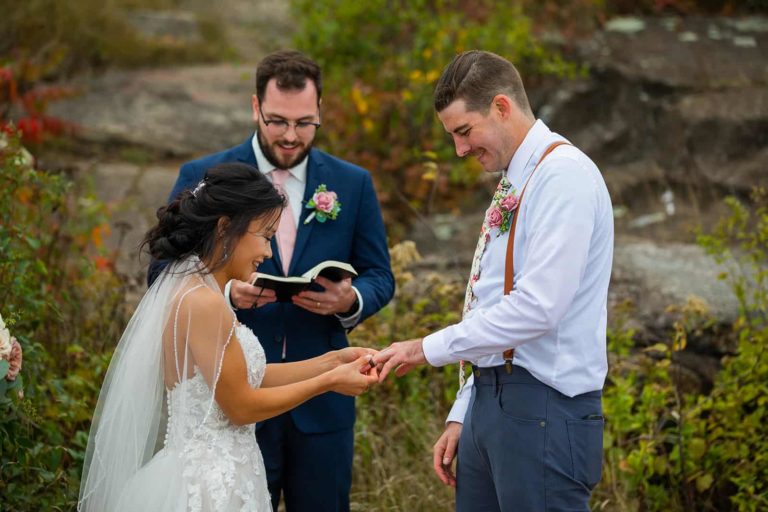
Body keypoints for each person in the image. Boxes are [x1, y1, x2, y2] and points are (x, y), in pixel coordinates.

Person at [149, 51, 394, 512]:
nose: (289, 134)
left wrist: (348, 300)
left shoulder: (352, 182)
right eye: (277, 120)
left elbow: (381, 273)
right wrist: (224, 292)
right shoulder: (204, 178)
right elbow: (164, 273)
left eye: (305, 123)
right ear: (255, 107)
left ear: (321, 111)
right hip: (230, 405)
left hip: (321, 417)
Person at [372, 50, 614, 511]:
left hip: (544, 409)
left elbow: (539, 307)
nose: (460, 150)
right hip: (492, 404)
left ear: (501, 107)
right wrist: (467, 410)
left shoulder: (564, 177)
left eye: (464, 131)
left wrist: (424, 349)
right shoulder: (516, 180)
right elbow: (489, 300)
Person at [78, 163, 379, 511]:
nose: (267, 252)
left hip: (223, 469)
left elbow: (244, 377)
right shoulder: (204, 302)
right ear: (225, 228)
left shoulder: (195, 289)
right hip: (209, 485)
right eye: (265, 236)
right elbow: (240, 406)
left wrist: (334, 360)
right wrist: (328, 381)